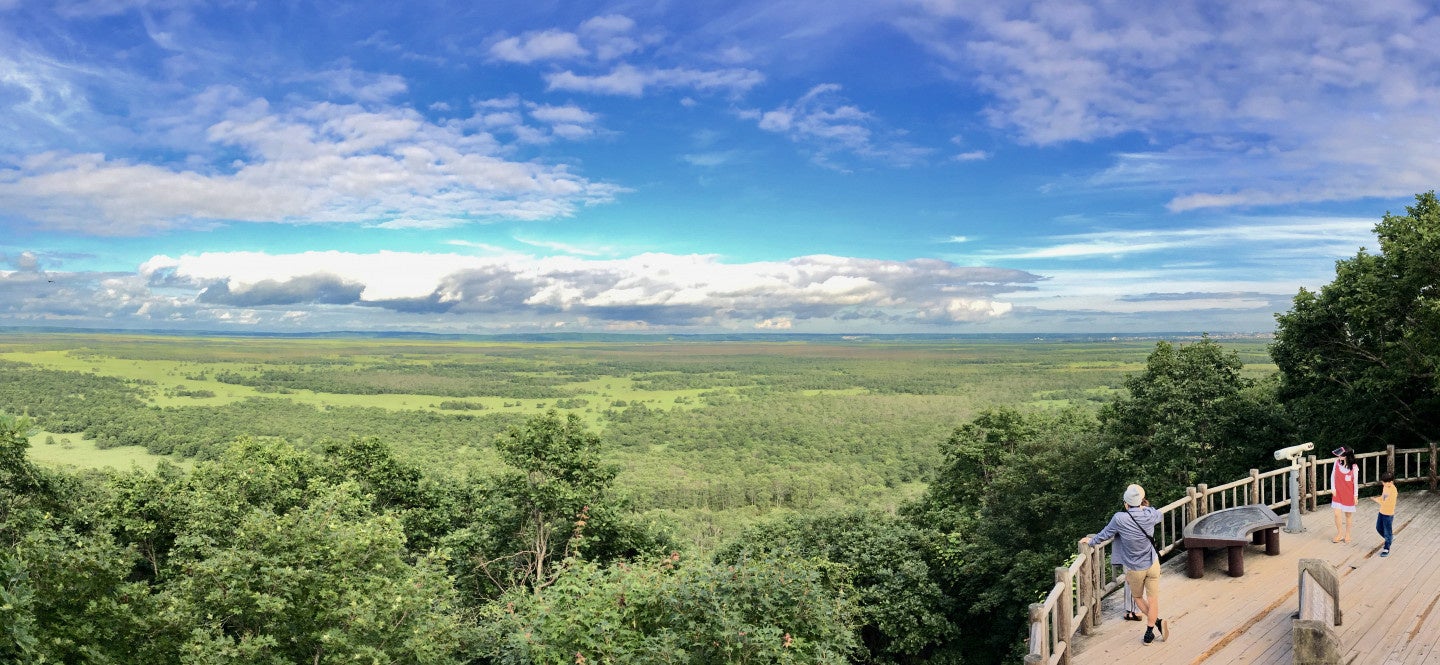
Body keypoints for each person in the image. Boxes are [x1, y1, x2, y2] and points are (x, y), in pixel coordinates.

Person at [1081, 484, 1169, 645]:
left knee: (1137, 597)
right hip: (1153, 563)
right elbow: (1159, 514)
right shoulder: (1149, 514)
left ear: (1126, 503)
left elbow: (1105, 534)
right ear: (1142, 501)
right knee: (1153, 599)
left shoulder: (1120, 518)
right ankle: (1150, 632)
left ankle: (1156, 623)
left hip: (1135, 568)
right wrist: (1144, 508)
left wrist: (1091, 541)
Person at [1331, 447, 1359, 543]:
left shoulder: (1354, 467)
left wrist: (1355, 496)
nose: (1339, 456)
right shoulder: (1337, 463)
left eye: (1342, 455)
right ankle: (1339, 533)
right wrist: (1333, 488)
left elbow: (1355, 482)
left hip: (1348, 494)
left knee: (1348, 515)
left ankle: (1347, 534)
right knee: (1336, 514)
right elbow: (1332, 476)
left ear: (1347, 456)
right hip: (1337, 493)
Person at [1372, 471, 1397, 557]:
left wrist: (1377, 501)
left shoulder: (1393, 491)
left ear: (1391, 482)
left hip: (1388, 514)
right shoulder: (1385, 487)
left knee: (1387, 531)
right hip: (1382, 512)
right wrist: (1377, 498)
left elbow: (1387, 503)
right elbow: (1383, 497)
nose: (1383, 483)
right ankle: (1390, 538)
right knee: (1378, 528)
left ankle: (1387, 547)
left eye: (1384, 482)